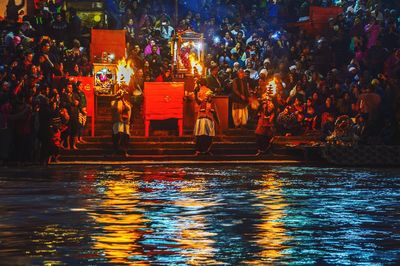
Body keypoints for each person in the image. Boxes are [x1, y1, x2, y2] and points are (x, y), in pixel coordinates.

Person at [193, 80, 219, 156]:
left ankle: (207, 150)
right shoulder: (202, 102)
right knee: (200, 136)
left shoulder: (212, 104)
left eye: (211, 96)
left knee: (209, 137)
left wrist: (218, 122)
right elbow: (197, 100)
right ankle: (198, 150)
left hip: (209, 120)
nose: (209, 97)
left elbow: (215, 113)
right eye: (208, 96)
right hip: (201, 120)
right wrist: (195, 93)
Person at [111, 89, 131, 157]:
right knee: (116, 137)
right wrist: (117, 99)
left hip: (125, 122)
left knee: (125, 138)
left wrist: (122, 100)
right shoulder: (113, 102)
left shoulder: (126, 102)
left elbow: (128, 108)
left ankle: (125, 152)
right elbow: (113, 107)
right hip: (117, 122)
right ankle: (115, 151)